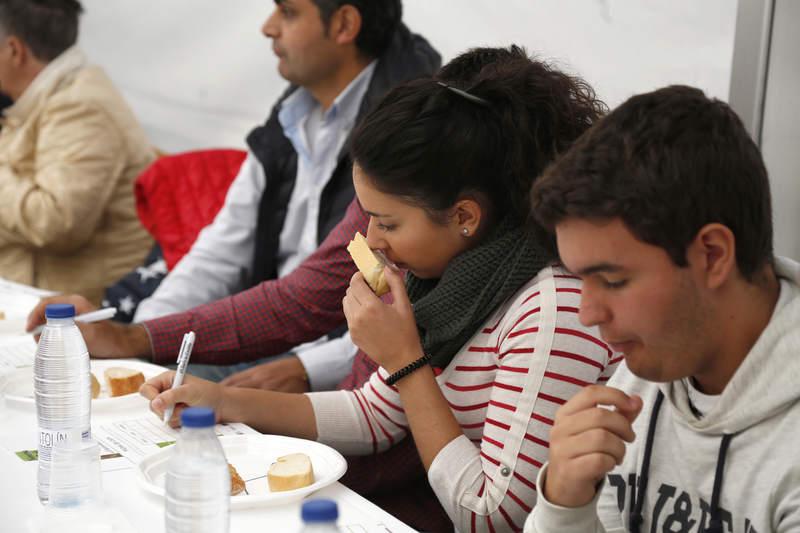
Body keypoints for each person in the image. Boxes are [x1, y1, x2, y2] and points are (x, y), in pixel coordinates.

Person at [140, 52, 618, 532]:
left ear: (465, 217)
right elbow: (372, 416)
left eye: (387, 222)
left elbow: (492, 518)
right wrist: (224, 401)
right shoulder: (449, 278)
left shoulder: (552, 308)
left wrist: (406, 361)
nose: (370, 239)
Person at [31, 0, 440, 393]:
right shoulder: (292, 112)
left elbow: (415, 309)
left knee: (144, 401)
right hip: (272, 335)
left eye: (288, 11)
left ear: (344, 25)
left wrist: (307, 370)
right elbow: (227, 253)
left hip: (352, 369)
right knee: (119, 383)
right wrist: (138, 338)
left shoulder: (414, 130)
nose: (268, 27)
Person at [523, 86, 800, 532]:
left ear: (712, 255)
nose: (587, 313)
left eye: (612, 281)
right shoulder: (650, 367)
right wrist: (564, 505)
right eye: (580, 280)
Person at [0, 0, 154, 303]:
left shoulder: (81, 106)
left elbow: (54, 222)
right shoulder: (50, 95)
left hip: (66, 318)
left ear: (15, 51)